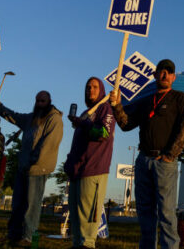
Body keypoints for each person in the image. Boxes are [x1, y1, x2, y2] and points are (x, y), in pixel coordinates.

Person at [109, 59, 184, 249]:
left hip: (164, 162)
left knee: (166, 213)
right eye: (160, 71)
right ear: (155, 75)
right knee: (145, 213)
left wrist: (170, 155)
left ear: (173, 77)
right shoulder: (147, 100)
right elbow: (126, 124)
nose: (164, 74)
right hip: (143, 160)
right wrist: (117, 105)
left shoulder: (180, 98)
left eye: (168, 72)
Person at [0, 90, 63, 247]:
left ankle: (30, 239)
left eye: (43, 100)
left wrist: (34, 163)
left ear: (49, 101)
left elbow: (49, 144)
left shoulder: (54, 119)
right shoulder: (31, 118)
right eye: (37, 100)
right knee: (17, 205)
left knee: (32, 206)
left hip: (37, 169)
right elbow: (12, 116)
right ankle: (13, 235)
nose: (39, 103)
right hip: (23, 168)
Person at [63, 77, 116, 249]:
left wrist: (84, 124)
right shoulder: (87, 112)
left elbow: (103, 134)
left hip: (94, 170)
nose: (90, 90)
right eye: (87, 87)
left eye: (94, 87)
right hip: (77, 171)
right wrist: (70, 161)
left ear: (100, 89)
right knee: (76, 218)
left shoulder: (106, 108)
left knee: (87, 221)